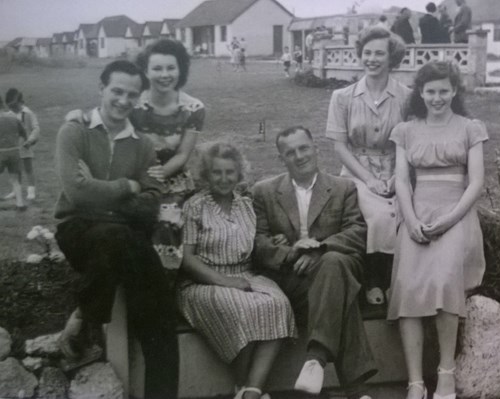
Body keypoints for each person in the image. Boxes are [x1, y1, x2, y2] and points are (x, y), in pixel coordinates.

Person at [54, 60, 178, 399]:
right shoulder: (74, 132)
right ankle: (85, 317)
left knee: (160, 316)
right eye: (117, 91)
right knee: (116, 235)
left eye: (132, 95)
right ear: (101, 89)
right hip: (78, 232)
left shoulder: (143, 146)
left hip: (124, 239)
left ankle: (84, 315)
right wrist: (128, 185)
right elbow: (76, 193)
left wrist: (100, 192)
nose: (124, 100)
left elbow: (151, 206)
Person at [253, 126, 377, 398]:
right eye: (290, 152)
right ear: (281, 159)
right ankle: (357, 391)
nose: (299, 156)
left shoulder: (343, 187)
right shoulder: (264, 191)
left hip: (337, 264)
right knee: (341, 290)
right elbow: (258, 243)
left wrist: (320, 248)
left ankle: (316, 358)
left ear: (316, 149)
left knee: (333, 263)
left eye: (304, 148)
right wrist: (294, 252)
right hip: (294, 279)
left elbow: (357, 233)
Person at [388, 61, 486, 399]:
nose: (437, 97)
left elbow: (476, 182)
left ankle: (446, 372)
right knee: (407, 287)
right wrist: (411, 220)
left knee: (446, 281)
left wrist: (450, 219)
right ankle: (415, 381)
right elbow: (401, 180)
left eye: (444, 90)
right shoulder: (406, 130)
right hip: (417, 212)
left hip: (457, 214)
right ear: (421, 93)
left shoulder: (470, 128)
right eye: (431, 91)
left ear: (455, 91)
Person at [177, 142, 297, 399]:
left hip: (246, 274)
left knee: (278, 304)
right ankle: (242, 386)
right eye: (217, 172)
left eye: (229, 172)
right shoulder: (195, 207)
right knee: (241, 308)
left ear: (238, 174)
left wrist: (275, 241)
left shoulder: (246, 205)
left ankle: (251, 391)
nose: (223, 179)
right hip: (203, 282)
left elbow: (257, 242)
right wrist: (225, 282)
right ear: (207, 175)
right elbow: (187, 260)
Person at [326, 26, 410, 305]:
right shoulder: (343, 97)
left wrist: (396, 177)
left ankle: (399, 277)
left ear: (391, 58)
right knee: (377, 214)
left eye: (379, 53)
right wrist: (369, 179)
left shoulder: (406, 97)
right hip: (356, 170)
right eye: (367, 52)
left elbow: (408, 143)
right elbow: (340, 146)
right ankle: (374, 280)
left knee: (403, 210)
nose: (372, 58)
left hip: (397, 166)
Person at [133, 39, 205, 269]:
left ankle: (165, 289)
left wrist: (157, 176)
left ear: (180, 69)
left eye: (170, 67)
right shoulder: (134, 105)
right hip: (135, 177)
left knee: (167, 223)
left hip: (174, 183)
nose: (164, 74)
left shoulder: (193, 108)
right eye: (157, 68)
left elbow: (183, 154)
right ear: (145, 71)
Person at [3, 88, 39, 201]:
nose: (12, 108)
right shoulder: (8, 115)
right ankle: (15, 191)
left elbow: (36, 128)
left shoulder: (28, 113)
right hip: (13, 147)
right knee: (15, 171)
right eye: (10, 106)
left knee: (28, 168)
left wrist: (31, 140)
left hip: (25, 145)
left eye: (14, 105)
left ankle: (31, 191)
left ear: (19, 102)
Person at [0, 96, 26, 210]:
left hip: (1, 152)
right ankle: (20, 204)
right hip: (14, 151)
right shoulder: (13, 118)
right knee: (15, 179)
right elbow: (23, 133)